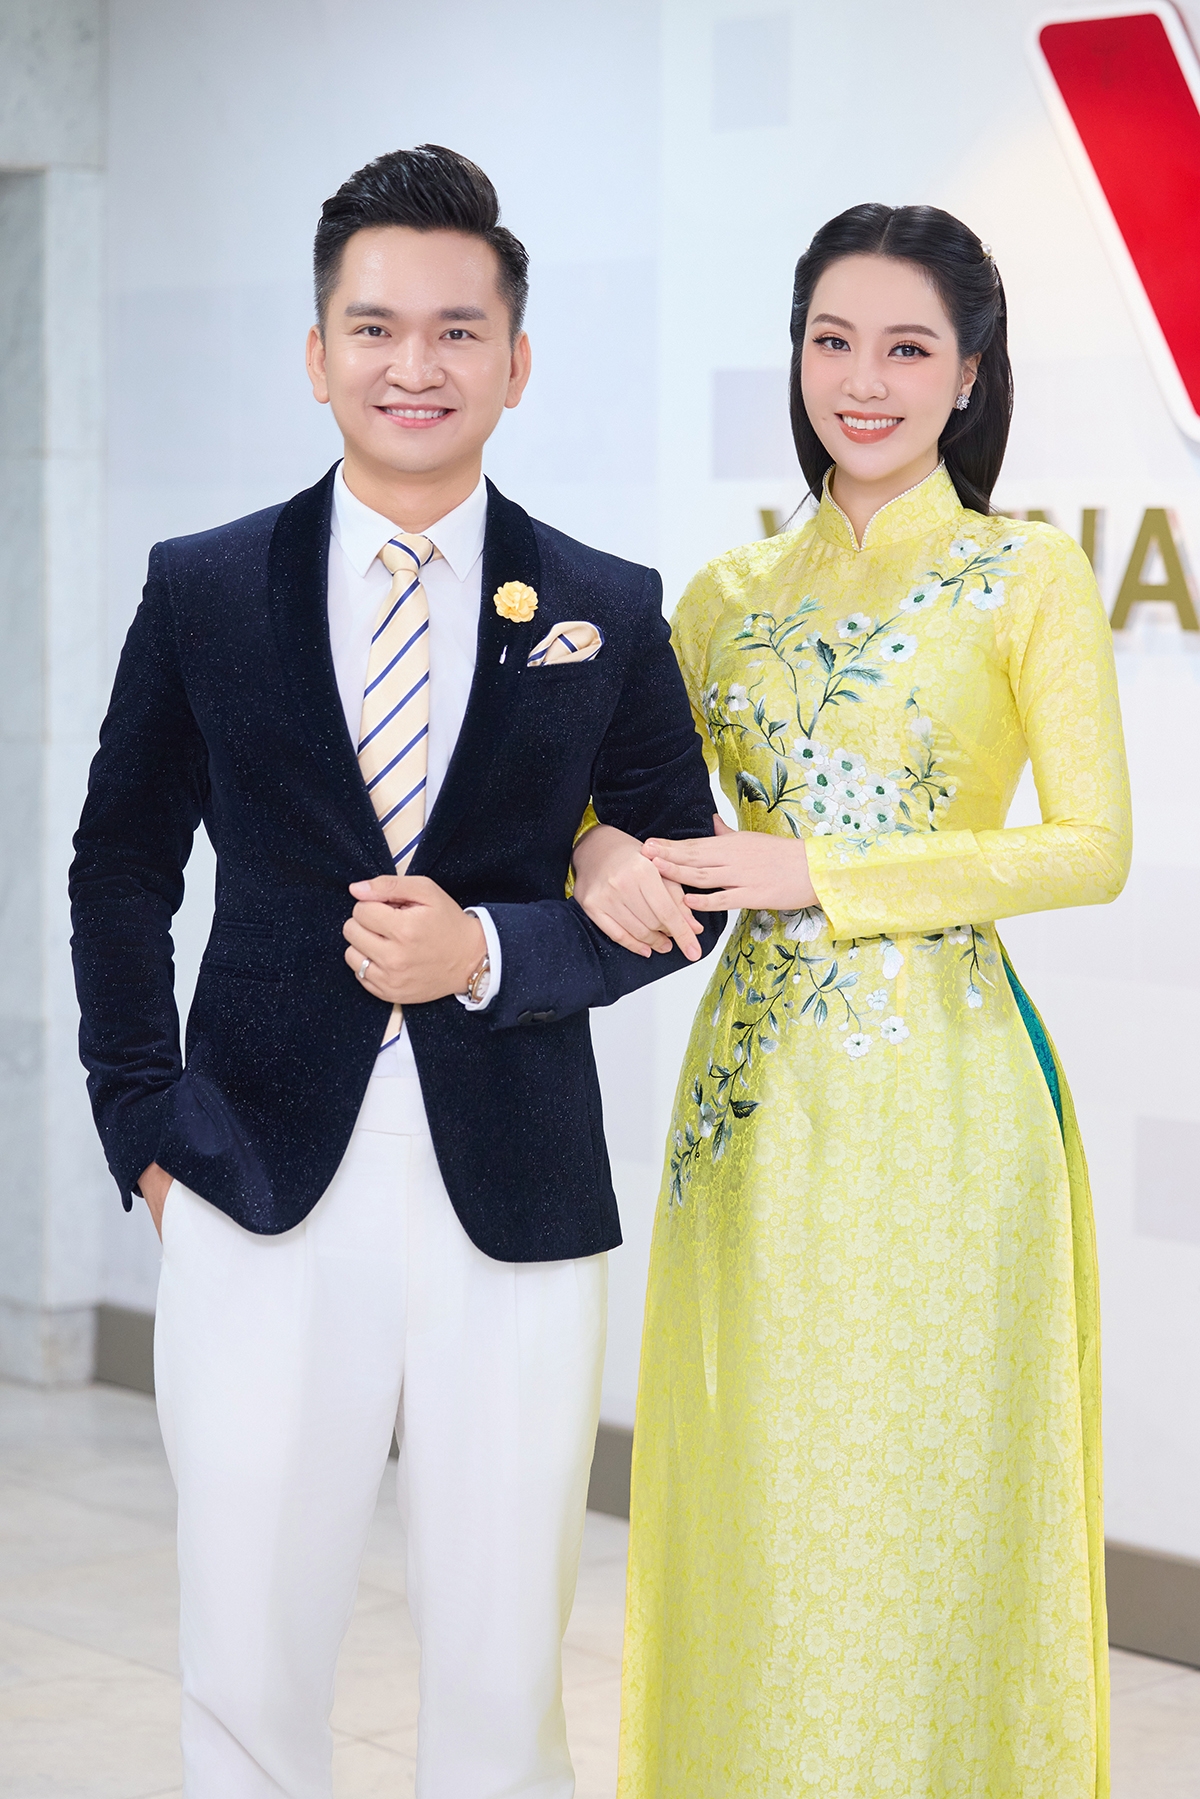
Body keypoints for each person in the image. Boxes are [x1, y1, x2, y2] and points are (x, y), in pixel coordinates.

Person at [69, 144, 722, 1799]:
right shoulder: (205, 587)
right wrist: (142, 1122)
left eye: (455, 331)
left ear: (516, 361)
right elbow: (122, 865)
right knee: (249, 1652)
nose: (412, 365)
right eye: (374, 328)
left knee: (503, 1666)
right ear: (318, 355)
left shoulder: (603, 605)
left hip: (515, 1181)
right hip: (250, 1174)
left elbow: (687, 889)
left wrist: (490, 949)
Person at [572, 204, 1130, 1797]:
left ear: (969, 375)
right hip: (754, 1116)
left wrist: (819, 869)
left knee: (925, 1517)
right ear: (798, 356)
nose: (863, 382)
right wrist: (604, 846)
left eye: (905, 349)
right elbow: (597, 803)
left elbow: (1091, 848)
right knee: (759, 1497)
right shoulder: (725, 596)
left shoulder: (1028, 575)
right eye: (833, 341)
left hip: (947, 1105)